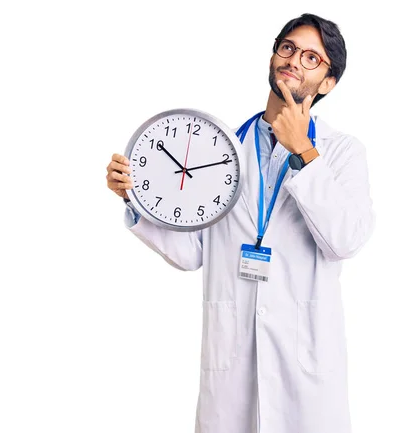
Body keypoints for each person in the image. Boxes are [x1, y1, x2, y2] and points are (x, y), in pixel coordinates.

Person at [106, 12, 375, 433]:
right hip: (232, 373)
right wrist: (135, 196)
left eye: (311, 58)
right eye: (287, 48)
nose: (293, 60)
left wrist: (303, 150)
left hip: (306, 377)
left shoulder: (341, 154)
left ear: (328, 83)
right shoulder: (222, 148)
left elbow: (344, 239)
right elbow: (193, 252)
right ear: (273, 57)